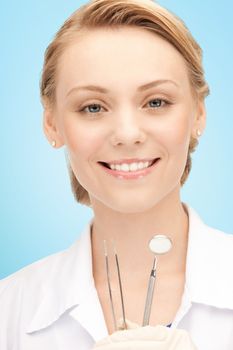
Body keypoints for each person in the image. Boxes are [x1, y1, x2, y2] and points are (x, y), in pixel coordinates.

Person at [0, 0, 233, 349]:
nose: (127, 133)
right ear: (52, 124)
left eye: (156, 102)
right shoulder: (10, 311)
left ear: (198, 114)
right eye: (93, 107)